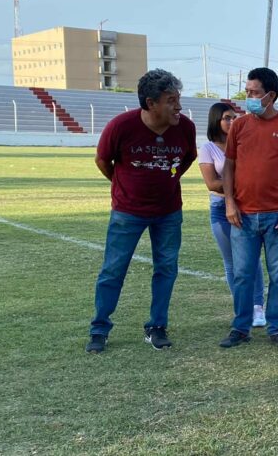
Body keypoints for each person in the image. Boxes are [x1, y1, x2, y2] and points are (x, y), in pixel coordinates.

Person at [86, 69, 197, 354]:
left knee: (166, 268)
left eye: (179, 99)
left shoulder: (185, 127)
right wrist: (121, 184)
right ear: (150, 103)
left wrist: (168, 180)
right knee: (113, 269)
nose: (178, 107)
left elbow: (187, 159)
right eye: (171, 100)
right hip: (128, 212)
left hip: (169, 212)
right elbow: (102, 160)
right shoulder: (121, 126)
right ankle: (99, 329)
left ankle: (157, 326)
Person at [220, 67, 278, 350]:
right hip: (242, 217)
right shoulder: (239, 126)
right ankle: (240, 327)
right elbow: (229, 168)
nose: (248, 97)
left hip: (277, 216)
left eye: (253, 92)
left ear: (270, 95)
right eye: (247, 92)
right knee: (243, 274)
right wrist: (230, 203)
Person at [198, 103, 268, 327]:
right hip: (221, 210)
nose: (232, 122)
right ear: (216, 121)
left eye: (234, 117)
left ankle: (258, 307)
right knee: (232, 263)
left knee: (251, 259)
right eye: (227, 118)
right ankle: (242, 307)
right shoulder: (208, 148)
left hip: (249, 208)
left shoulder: (245, 144)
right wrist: (243, 185)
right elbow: (212, 183)